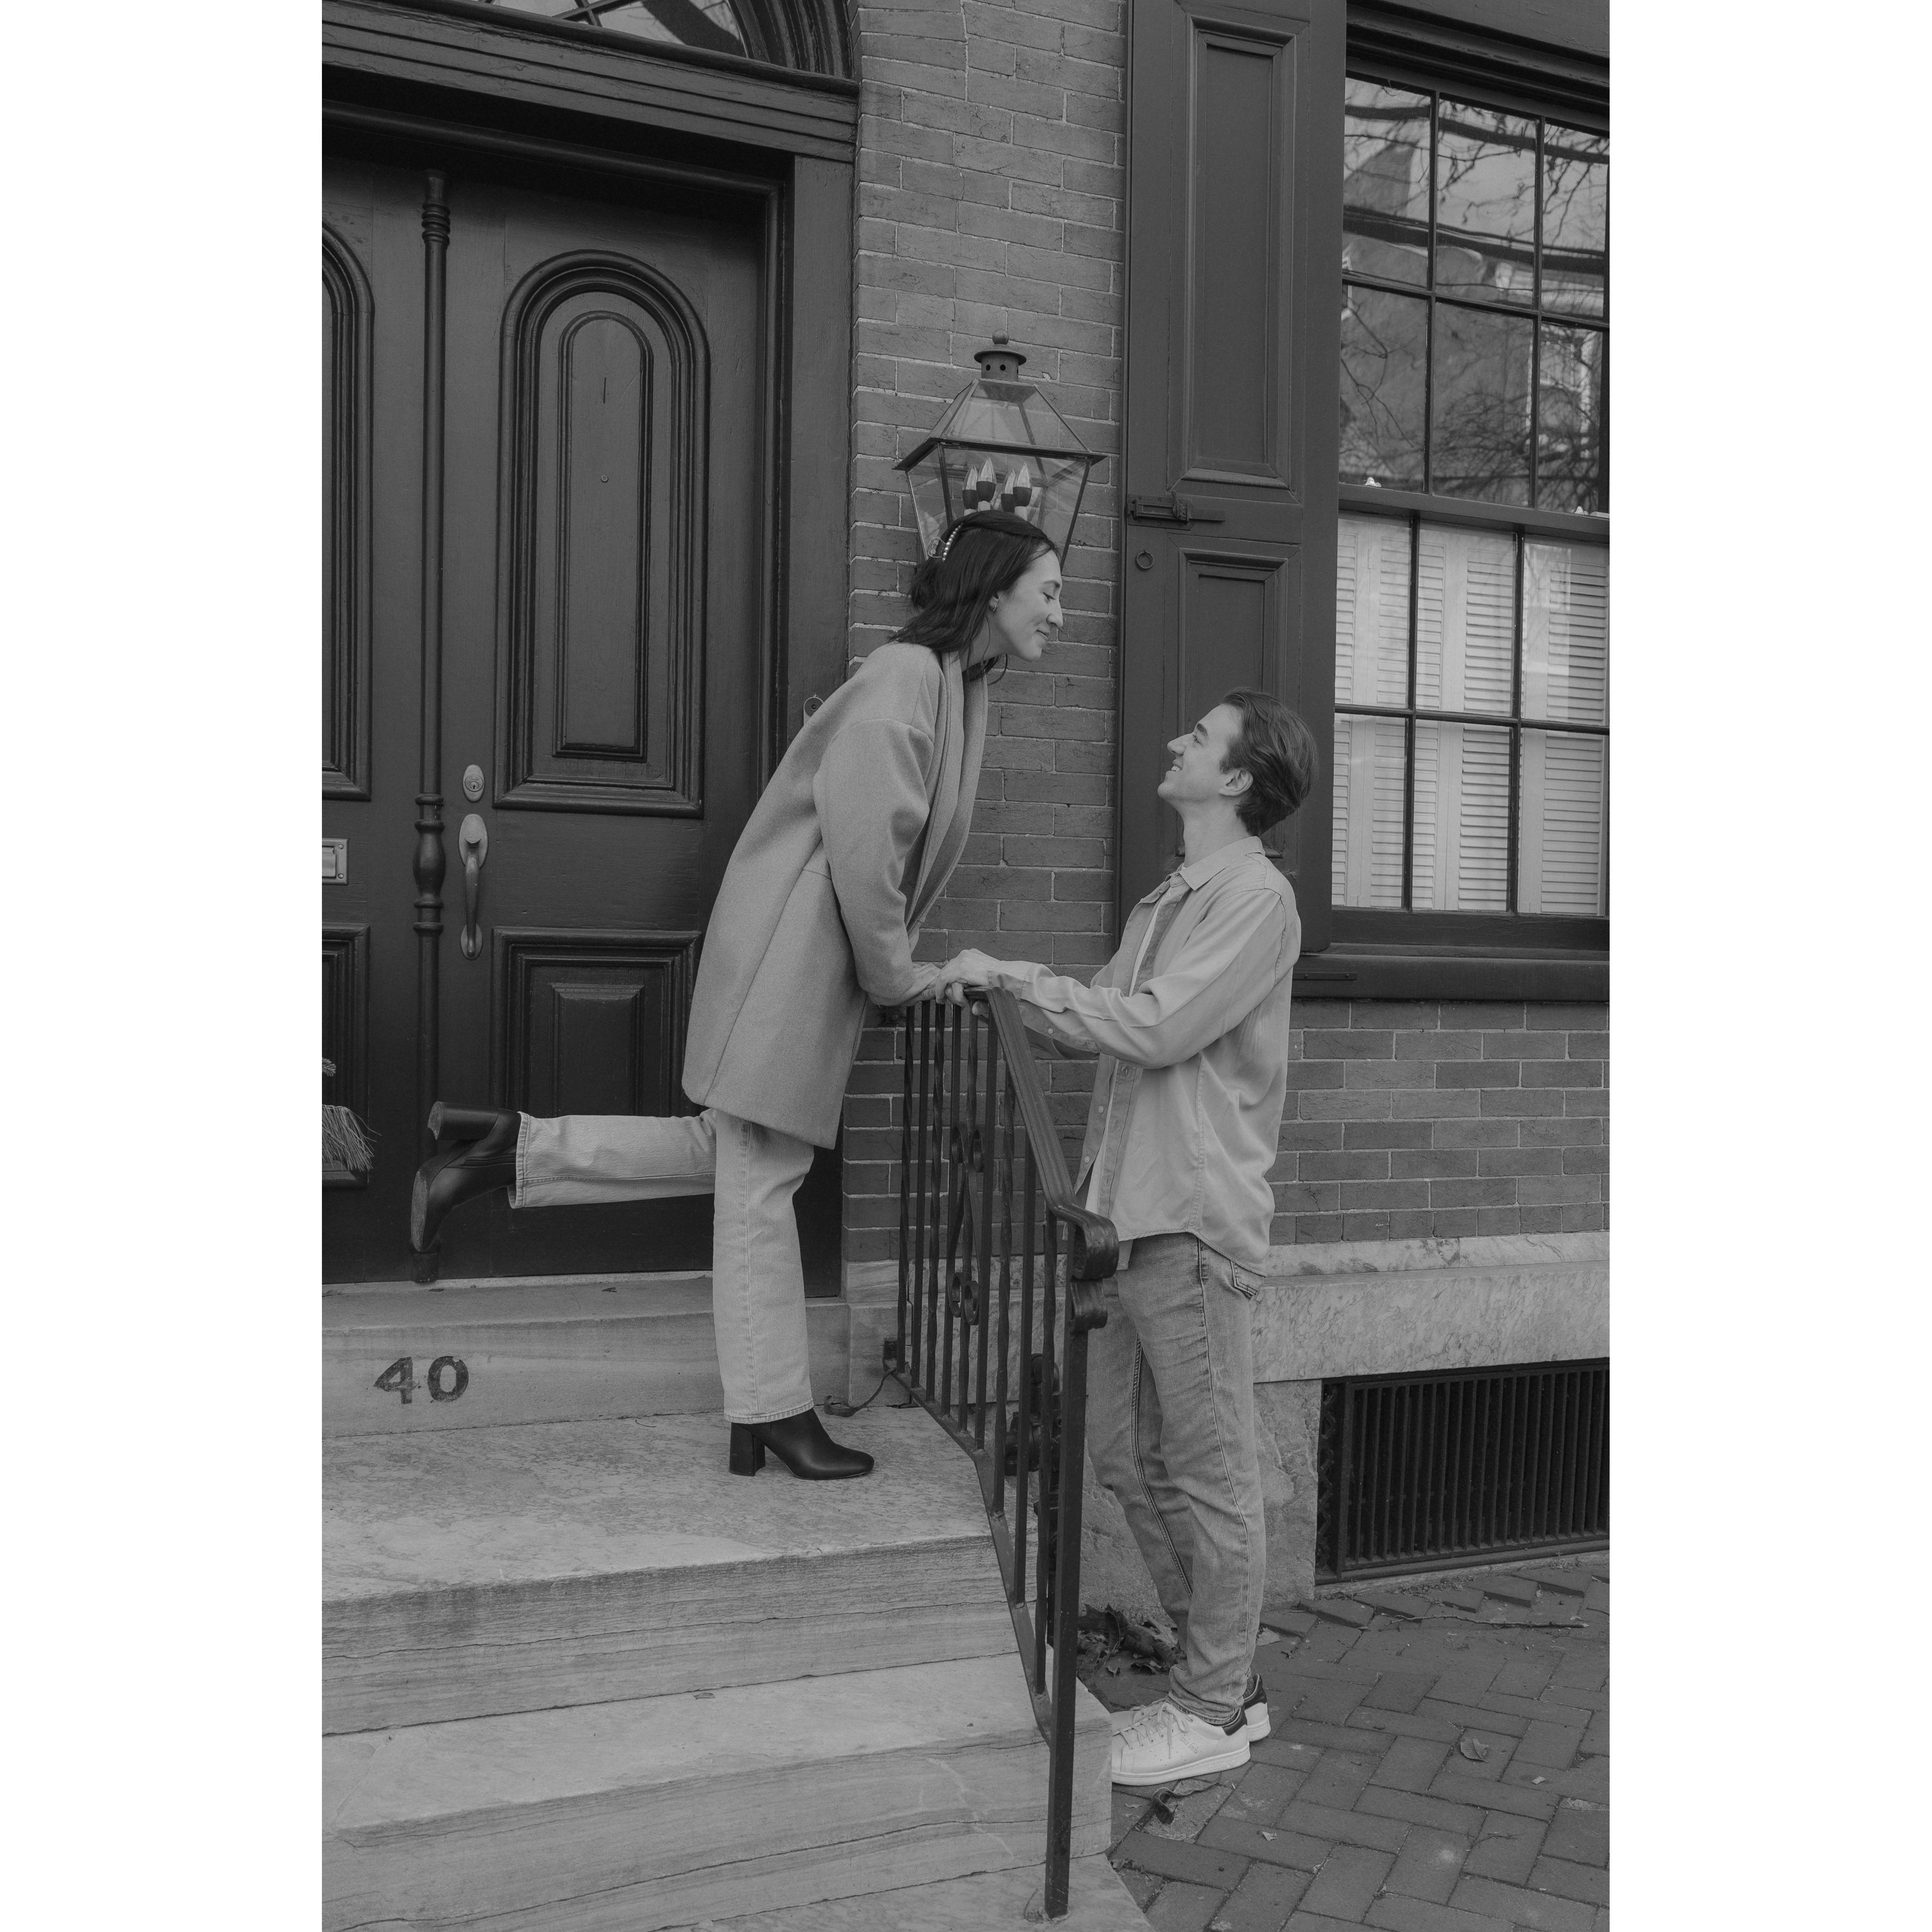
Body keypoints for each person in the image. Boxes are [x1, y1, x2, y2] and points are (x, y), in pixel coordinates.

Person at [409, 510, 1064, 1482]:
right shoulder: (907, 679)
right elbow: (868, 852)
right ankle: (772, 1409)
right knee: (763, 1186)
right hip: (792, 964)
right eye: (1049, 590)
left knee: (733, 1155)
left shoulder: (956, 686)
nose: (1060, 611)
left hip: (807, 961)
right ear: (996, 585)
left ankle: (508, 1148)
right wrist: (902, 977)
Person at [938, 688, 1319, 1787]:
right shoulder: (1168, 899)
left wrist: (1012, 978)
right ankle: (1223, 1679)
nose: (1174, 741)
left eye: (1197, 737)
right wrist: (1003, 993)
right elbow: (1097, 1024)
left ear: (1236, 779)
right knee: (1120, 1449)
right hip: (1125, 1214)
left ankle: (1207, 1703)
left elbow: (1153, 1027)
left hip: (1190, 1219)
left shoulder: (1255, 899)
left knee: (1208, 1470)